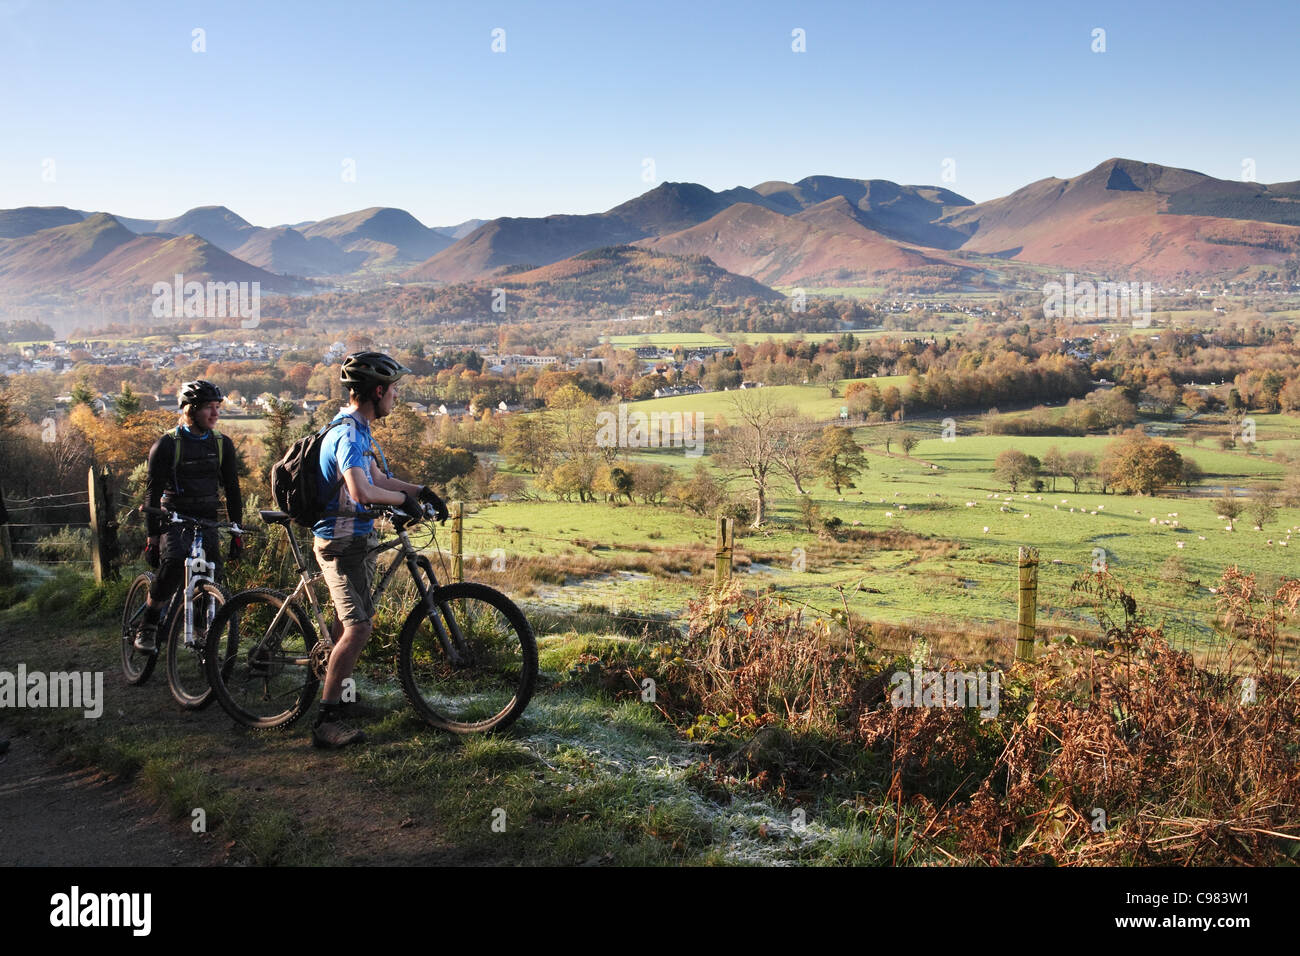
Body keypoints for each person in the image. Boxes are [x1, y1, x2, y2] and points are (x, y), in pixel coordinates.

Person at [311, 352, 447, 749]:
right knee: (358, 629)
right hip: (340, 543)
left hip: (359, 538)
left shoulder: (360, 430)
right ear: (378, 390)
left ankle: (339, 694)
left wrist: (419, 492)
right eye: (394, 392)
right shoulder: (347, 435)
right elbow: (361, 491)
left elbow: (379, 478)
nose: (396, 400)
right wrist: (401, 502)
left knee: (344, 623)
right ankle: (325, 720)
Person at [137, 380, 244, 650]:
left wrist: (236, 530)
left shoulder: (222, 445)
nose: (215, 413)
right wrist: (152, 537)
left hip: (207, 516)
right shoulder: (166, 445)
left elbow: (232, 490)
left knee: (211, 572)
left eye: (217, 407)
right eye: (209, 408)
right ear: (189, 410)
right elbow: (152, 494)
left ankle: (200, 631)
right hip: (175, 515)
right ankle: (147, 625)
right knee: (173, 564)